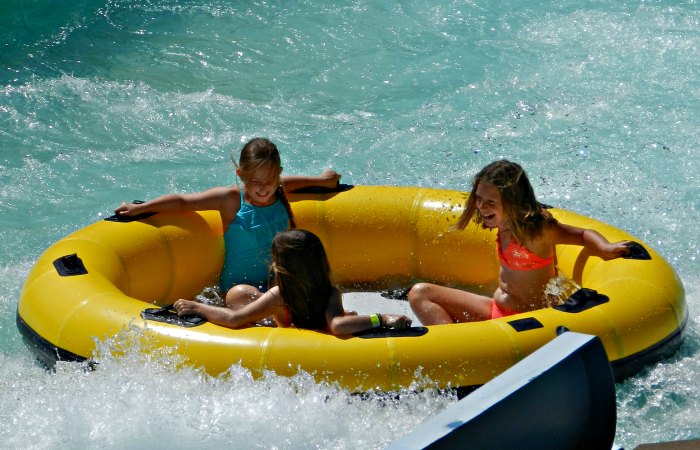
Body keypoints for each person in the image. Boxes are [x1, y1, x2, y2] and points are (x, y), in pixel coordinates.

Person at [115, 137, 341, 306]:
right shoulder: (231, 200)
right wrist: (141, 208)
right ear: (240, 174)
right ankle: (277, 310)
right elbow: (184, 201)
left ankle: (277, 309)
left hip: (275, 284)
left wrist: (325, 180)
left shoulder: (281, 189)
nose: (264, 187)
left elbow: (315, 181)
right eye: (255, 181)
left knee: (297, 279)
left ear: (279, 174)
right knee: (238, 295)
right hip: (240, 289)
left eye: (270, 180)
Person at [408, 159, 631, 325]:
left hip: (523, 324)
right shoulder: (501, 225)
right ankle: (453, 347)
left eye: (491, 201)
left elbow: (582, 235)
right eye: (479, 199)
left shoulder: (536, 231)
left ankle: (460, 351)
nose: (482, 206)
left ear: (513, 202)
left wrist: (604, 248)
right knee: (420, 293)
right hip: (497, 310)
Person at [173, 230, 413, 334]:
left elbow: (234, 320)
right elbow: (338, 324)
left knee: (237, 299)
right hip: (295, 322)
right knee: (239, 295)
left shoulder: (279, 295)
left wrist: (196, 307)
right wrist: (380, 317)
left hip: (283, 330)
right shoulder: (329, 292)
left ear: (280, 267)